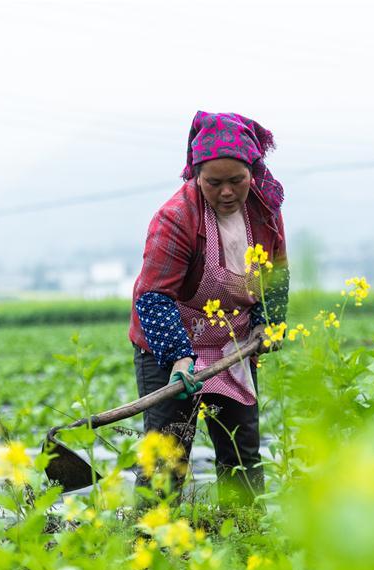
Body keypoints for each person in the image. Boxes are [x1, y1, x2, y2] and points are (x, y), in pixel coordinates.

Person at [129, 111, 289, 506]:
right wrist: (178, 357)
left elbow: (277, 272)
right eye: (214, 183)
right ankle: (151, 537)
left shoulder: (265, 211)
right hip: (169, 342)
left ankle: (245, 530)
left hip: (232, 342)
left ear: (253, 172)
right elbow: (153, 296)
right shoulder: (176, 217)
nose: (227, 192)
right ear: (196, 176)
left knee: (241, 454)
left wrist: (268, 322)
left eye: (237, 180)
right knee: (166, 457)